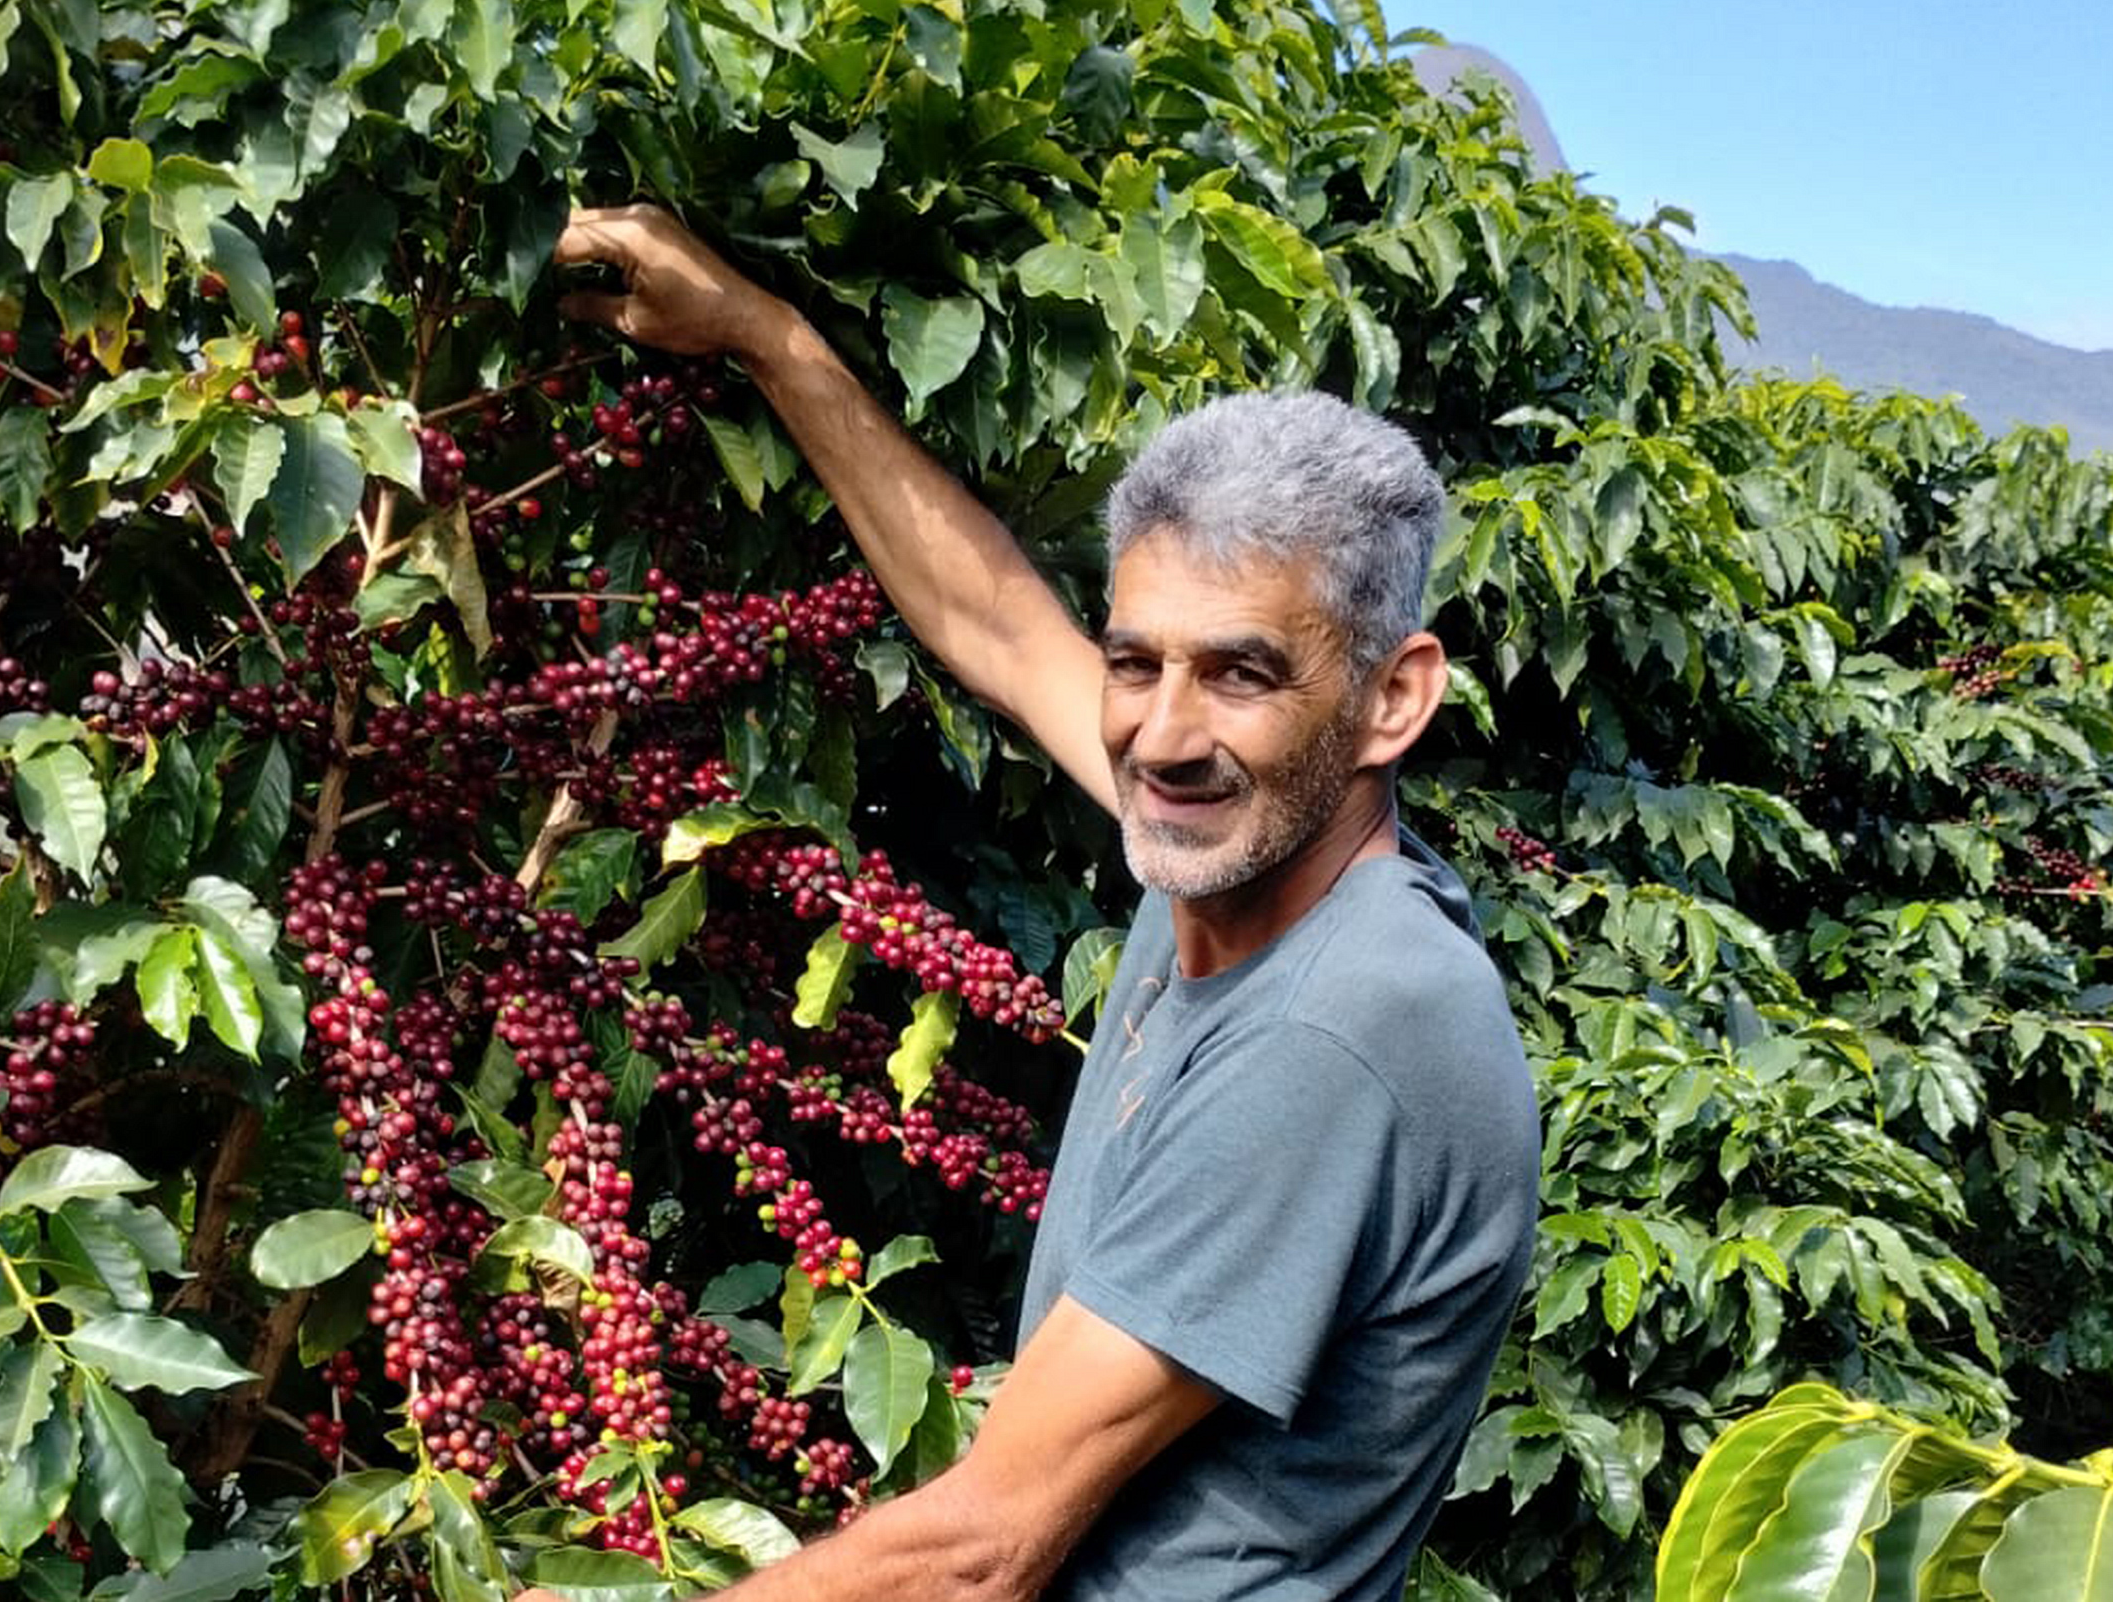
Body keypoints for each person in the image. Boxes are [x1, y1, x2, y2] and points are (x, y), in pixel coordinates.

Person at [532, 203, 1539, 1602]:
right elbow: (1001, 626)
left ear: (1392, 699)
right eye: (1138, 662)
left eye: (1241, 674)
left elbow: (980, 1554)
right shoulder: (1230, 830)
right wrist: (761, 337)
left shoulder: (1344, 1029)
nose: (1165, 733)